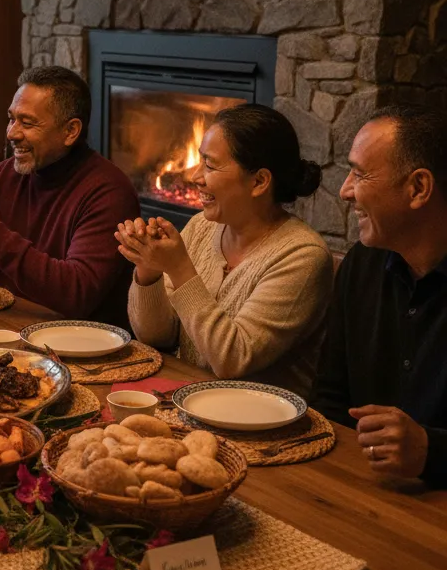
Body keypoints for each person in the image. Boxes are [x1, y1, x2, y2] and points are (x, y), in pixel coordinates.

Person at [117, 104, 333, 398]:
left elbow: (232, 360)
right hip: (188, 399)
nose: (194, 176)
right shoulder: (201, 227)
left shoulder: (302, 256)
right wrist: (149, 269)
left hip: (263, 426)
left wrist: (180, 268)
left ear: (259, 181)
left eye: (210, 165)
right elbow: (155, 336)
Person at [0, 66, 140, 323]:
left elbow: (77, 295)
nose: (11, 133)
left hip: (87, 343)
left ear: (70, 131)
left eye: (27, 123)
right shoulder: (5, 176)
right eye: (11, 118)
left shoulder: (109, 192)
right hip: (16, 322)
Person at [312, 106, 447, 486]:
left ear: (418, 188)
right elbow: (330, 396)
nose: (344, 191)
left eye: (360, 173)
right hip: (357, 483)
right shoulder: (363, 264)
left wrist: (430, 450)